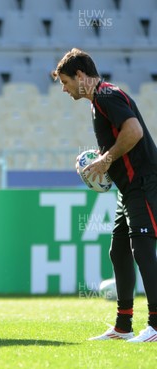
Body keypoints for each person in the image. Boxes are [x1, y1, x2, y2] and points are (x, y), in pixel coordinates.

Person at [53, 48, 157, 343]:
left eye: (65, 82)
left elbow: (134, 130)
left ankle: (156, 325)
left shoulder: (107, 95)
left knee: (143, 251)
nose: (63, 89)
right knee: (119, 251)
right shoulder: (99, 101)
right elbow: (120, 137)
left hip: (144, 183)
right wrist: (94, 159)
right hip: (129, 188)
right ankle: (124, 325)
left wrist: (106, 159)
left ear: (81, 76)